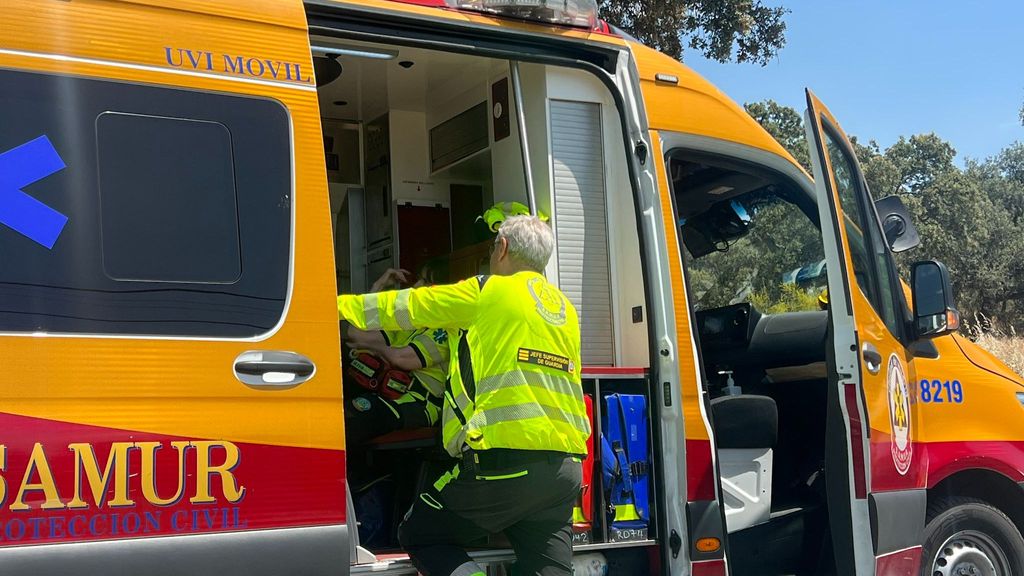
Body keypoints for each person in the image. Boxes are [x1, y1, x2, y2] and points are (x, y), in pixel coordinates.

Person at [338, 214, 590, 576]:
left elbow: (409, 307)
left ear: (501, 248)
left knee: (422, 535)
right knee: (548, 570)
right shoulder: (564, 309)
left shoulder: (487, 290)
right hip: (564, 470)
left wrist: (332, 306)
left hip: (505, 462)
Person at [343, 266, 449, 446]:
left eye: (424, 281)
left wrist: (373, 347)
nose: (415, 285)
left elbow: (401, 359)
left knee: (350, 420)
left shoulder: (446, 329)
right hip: (386, 389)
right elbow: (355, 333)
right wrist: (379, 285)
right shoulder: (409, 321)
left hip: (419, 402)